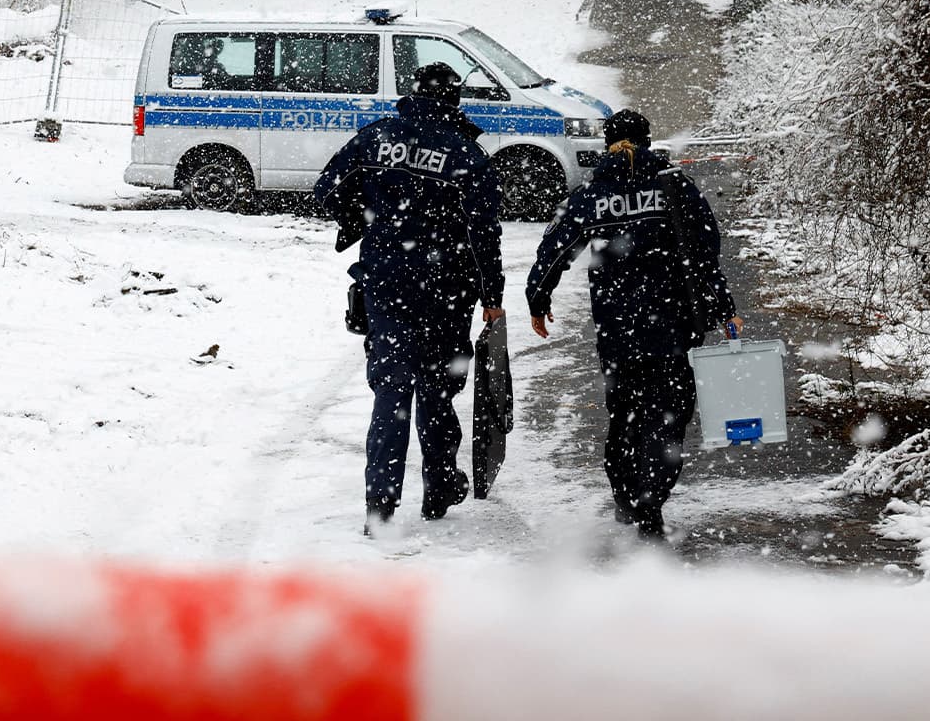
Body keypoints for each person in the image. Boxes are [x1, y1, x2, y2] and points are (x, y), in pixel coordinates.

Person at [523, 109, 742, 540]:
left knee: (624, 413)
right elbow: (704, 250)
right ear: (647, 140)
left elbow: (555, 246)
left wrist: (538, 297)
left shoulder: (591, 193)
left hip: (617, 329)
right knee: (668, 416)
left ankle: (625, 495)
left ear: (607, 144)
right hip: (671, 327)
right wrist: (723, 307)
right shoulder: (674, 185)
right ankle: (651, 499)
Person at [315, 62, 505, 532]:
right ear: (454, 102)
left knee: (392, 391)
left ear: (413, 94)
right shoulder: (466, 154)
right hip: (446, 290)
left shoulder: (376, 137)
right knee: (438, 390)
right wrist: (491, 295)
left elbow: (325, 190)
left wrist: (365, 220)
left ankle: (379, 503)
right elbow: (484, 234)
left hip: (386, 285)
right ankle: (439, 488)